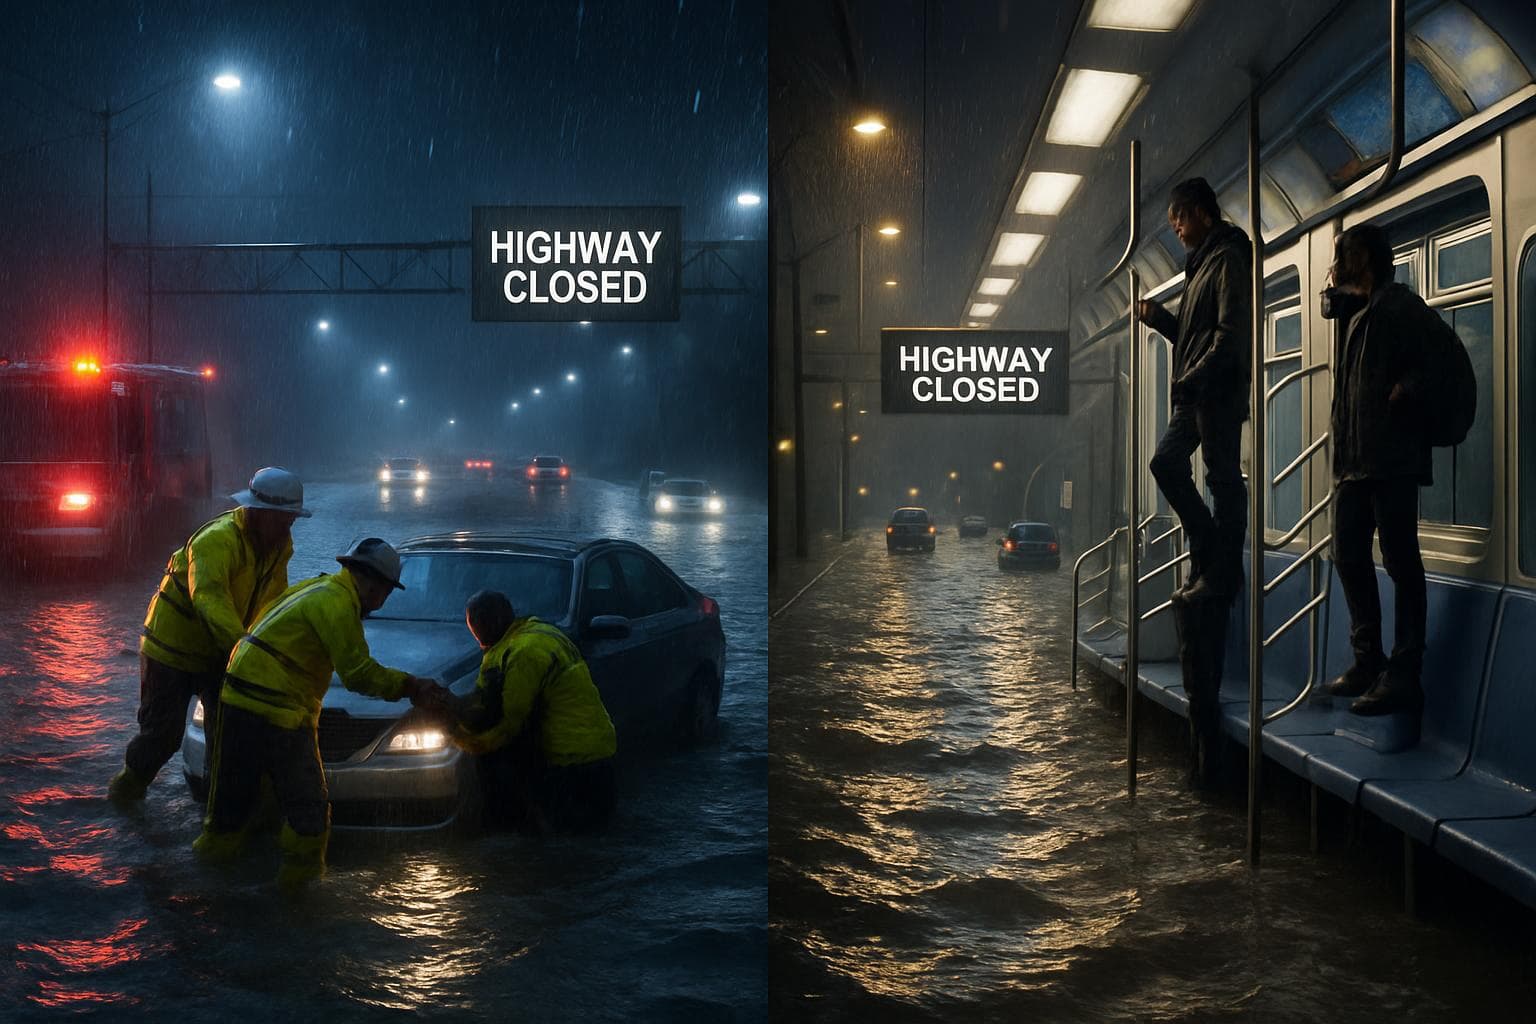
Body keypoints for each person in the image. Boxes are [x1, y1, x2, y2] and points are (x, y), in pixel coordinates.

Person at [192, 537, 446, 885]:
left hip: (237, 703)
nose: (383, 602)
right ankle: (299, 901)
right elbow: (358, 675)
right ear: (373, 583)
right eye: (386, 592)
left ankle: (205, 892)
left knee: (229, 811)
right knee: (309, 815)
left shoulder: (315, 588)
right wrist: (411, 686)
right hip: (278, 711)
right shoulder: (339, 605)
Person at [108, 467, 309, 804]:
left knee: (228, 736)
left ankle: (220, 811)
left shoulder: (279, 545)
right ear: (258, 512)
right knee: (162, 737)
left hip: (221, 652)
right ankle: (126, 792)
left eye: (292, 518)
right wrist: (244, 649)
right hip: (171, 652)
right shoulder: (216, 540)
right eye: (284, 518)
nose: (290, 525)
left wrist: (279, 651)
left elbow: (274, 600)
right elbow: (208, 597)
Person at [1321, 223, 1445, 716]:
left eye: (1344, 256)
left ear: (1367, 260)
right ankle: (1367, 660)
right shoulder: (1357, 312)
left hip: (1393, 461)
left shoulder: (1400, 307)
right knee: (1347, 554)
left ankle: (1405, 671)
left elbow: (1437, 361)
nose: (1337, 264)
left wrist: (1408, 389)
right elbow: (1333, 302)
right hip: (1355, 463)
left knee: (1400, 563)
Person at [1138, 177, 1254, 606]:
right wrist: (1161, 320)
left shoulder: (1226, 260)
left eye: (1180, 217)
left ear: (1204, 213)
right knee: (1166, 464)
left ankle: (1221, 567)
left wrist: (1191, 379)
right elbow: (1194, 336)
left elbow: (1230, 335)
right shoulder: (1202, 265)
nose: (1176, 228)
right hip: (1198, 391)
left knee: (1222, 479)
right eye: (1172, 221)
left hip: (1215, 390)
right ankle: (1209, 548)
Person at [440, 589, 617, 833]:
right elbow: (486, 700)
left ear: (494, 622)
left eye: (476, 626)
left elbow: (508, 725)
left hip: (573, 763)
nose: (476, 637)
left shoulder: (524, 653)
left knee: (563, 844)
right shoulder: (534, 634)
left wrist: (458, 737)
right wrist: (452, 703)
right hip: (598, 751)